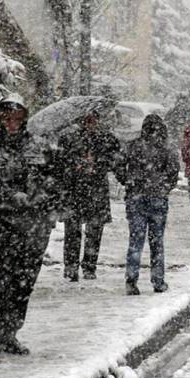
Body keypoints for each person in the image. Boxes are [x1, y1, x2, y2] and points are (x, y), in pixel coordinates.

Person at [0, 93, 57, 355]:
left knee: (25, 282)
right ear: (0, 118)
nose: (12, 123)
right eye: (7, 117)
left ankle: (11, 332)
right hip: (2, 224)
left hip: (34, 225)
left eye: (17, 117)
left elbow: (53, 181)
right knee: (6, 278)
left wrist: (40, 199)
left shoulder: (39, 146)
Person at [116, 114, 180, 295]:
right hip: (157, 198)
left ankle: (131, 279)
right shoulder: (167, 148)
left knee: (136, 241)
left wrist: (128, 181)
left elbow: (119, 165)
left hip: (136, 197)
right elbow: (173, 172)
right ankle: (158, 280)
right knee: (157, 241)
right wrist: (164, 187)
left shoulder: (133, 146)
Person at [56, 110, 121, 282]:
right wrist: (75, 165)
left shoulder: (107, 139)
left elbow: (114, 160)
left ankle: (89, 266)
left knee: (94, 230)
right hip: (74, 190)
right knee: (72, 231)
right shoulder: (68, 139)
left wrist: (98, 164)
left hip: (96, 190)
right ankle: (71, 267)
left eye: (93, 120)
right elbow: (59, 163)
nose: (91, 124)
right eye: (87, 120)